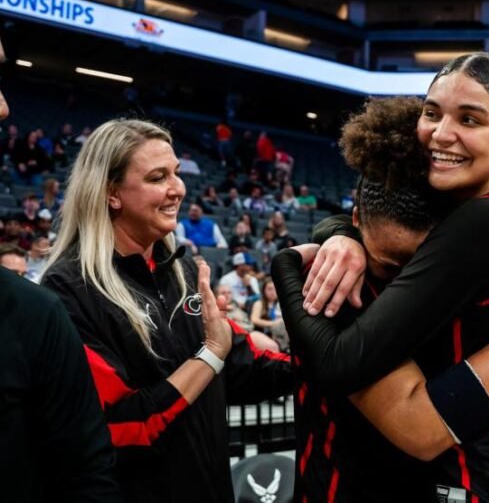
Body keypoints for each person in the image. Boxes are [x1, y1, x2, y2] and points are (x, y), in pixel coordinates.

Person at [275, 54, 489, 501]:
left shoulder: (486, 221)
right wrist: (339, 234)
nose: (440, 133)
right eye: (431, 112)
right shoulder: (483, 211)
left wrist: (287, 268)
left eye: (469, 119)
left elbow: (342, 363)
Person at [40, 119, 296, 503]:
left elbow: (241, 366)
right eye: (158, 177)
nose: (178, 189)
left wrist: (331, 356)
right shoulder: (69, 289)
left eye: (176, 173)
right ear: (112, 193)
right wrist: (210, 355)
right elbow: (124, 426)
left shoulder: (183, 269)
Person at [0, 36, 120, 502]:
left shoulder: (34, 314)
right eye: (155, 176)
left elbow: (86, 473)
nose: (6, 109)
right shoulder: (67, 287)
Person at [250, 277, 289, 351]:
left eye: (275, 288)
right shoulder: (259, 304)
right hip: (265, 334)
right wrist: (272, 323)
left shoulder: (282, 303)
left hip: (281, 334)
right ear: (264, 290)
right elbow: (254, 319)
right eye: (269, 289)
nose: (273, 292)